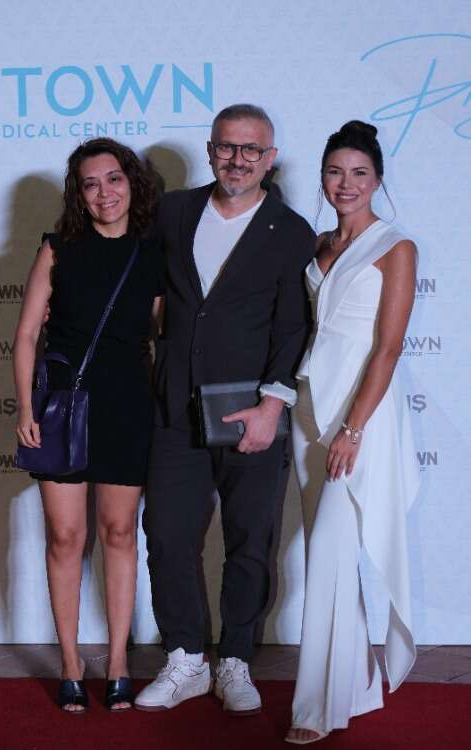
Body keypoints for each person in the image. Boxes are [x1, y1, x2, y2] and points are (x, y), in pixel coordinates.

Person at [134, 104, 316, 714]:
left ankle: (235, 658)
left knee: (250, 540)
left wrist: (272, 405)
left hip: (251, 412)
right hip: (174, 408)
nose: (238, 160)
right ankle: (185, 658)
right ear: (211, 151)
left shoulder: (291, 231)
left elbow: (293, 327)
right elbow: (146, 288)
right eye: (227, 147)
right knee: (166, 534)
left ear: (269, 158)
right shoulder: (174, 211)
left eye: (251, 149)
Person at [13, 138, 163, 713]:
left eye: (114, 179)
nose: (104, 193)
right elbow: (27, 333)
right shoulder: (58, 249)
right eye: (91, 184)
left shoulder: (153, 251)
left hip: (127, 407)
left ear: (131, 183)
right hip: (60, 409)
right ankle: (72, 665)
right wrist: (25, 409)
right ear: (78, 193)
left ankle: (119, 663)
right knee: (65, 538)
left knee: (120, 534)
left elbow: (162, 330)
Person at [286, 121, 420, 744]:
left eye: (359, 173)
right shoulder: (317, 244)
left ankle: (316, 708)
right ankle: (358, 686)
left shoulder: (396, 246)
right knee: (329, 554)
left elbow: (388, 348)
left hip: (359, 413)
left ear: (377, 180)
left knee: (332, 549)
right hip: (309, 406)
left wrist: (354, 428)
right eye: (335, 172)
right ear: (322, 178)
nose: (346, 183)